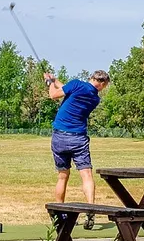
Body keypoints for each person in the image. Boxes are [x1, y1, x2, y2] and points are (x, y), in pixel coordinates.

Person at [45, 69, 110, 230]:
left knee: (62, 176)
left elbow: (53, 95)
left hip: (59, 137)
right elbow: (66, 88)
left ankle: (58, 213)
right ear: (101, 83)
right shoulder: (94, 98)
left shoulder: (77, 84)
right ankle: (90, 210)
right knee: (86, 175)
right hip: (78, 138)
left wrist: (49, 83)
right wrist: (55, 80)